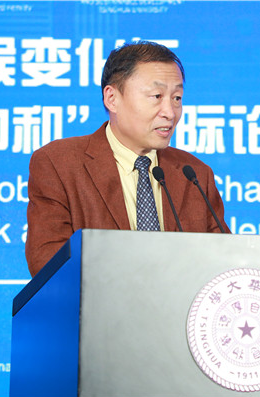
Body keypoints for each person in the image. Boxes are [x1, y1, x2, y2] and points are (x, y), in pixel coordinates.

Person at [25, 41, 230, 277]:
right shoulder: (59, 163)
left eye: (177, 98)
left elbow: (224, 263)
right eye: (156, 96)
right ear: (112, 98)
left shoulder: (194, 173)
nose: (170, 112)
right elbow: (47, 262)